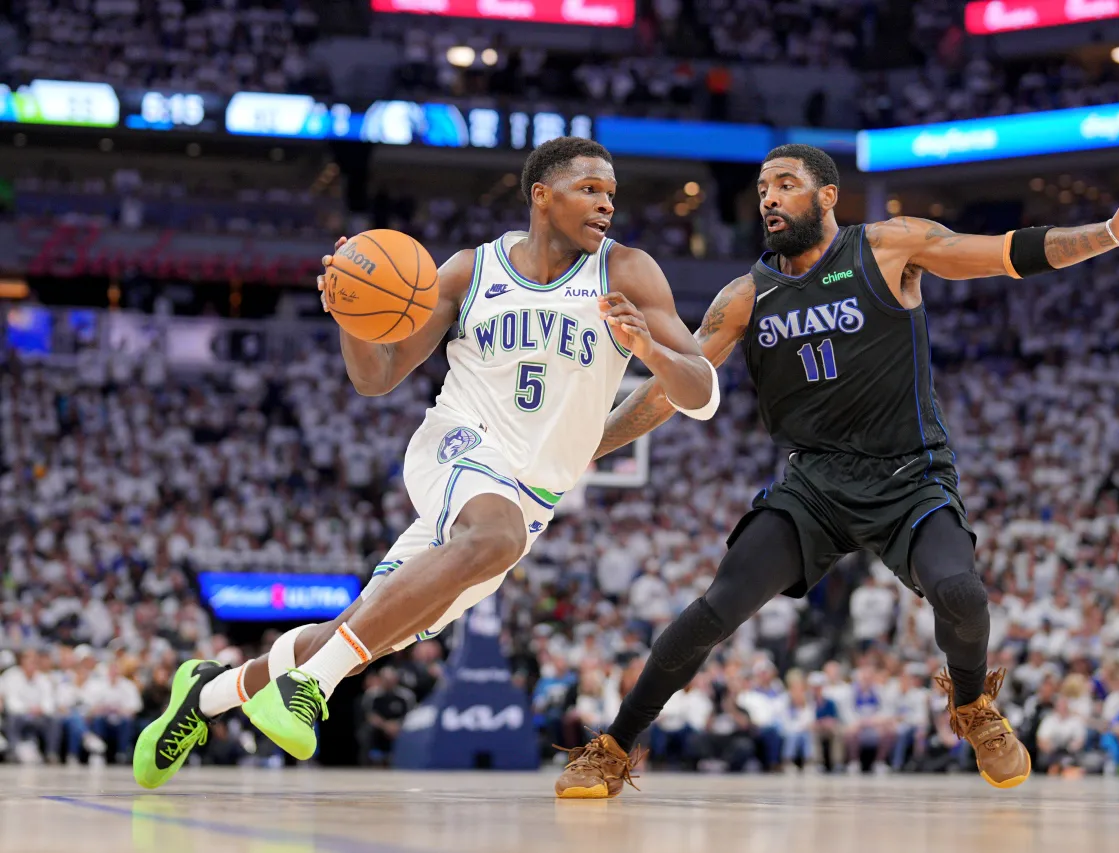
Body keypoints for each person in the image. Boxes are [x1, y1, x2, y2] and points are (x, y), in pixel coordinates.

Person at [554, 143, 1119, 797]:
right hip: (815, 485)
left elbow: (1006, 253)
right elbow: (669, 389)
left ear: (828, 196)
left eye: (786, 183)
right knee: (717, 607)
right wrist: (586, 447)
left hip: (907, 475)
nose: (768, 196)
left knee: (963, 596)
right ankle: (613, 746)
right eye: (762, 187)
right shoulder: (744, 297)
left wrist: (1112, 233)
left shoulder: (890, 246)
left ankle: (973, 707)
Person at [132, 136, 718, 789]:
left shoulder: (628, 271)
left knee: (366, 630)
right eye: (589, 190)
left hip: (530, 497)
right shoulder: (472, 271)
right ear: (542, 196)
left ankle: (206, 692)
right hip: (457, 448)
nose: (606, 204)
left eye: (611, 194)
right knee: (486, 539)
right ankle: (308, 686)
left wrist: (653, 350)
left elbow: (699, 392)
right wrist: (352, 315)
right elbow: (378, 376)